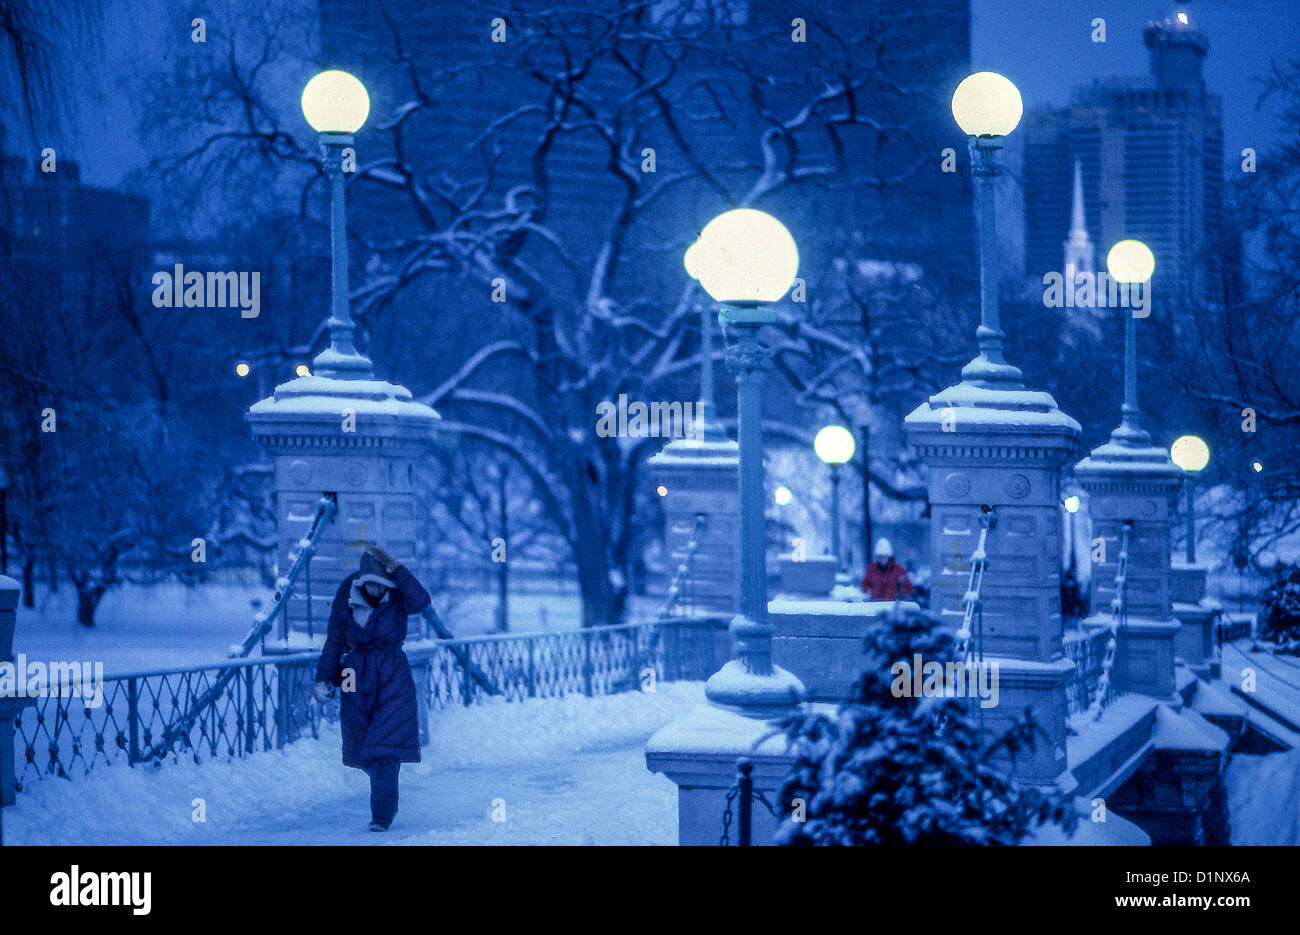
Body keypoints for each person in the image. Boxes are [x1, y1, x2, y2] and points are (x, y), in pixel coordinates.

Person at [313, 544, 430, 832]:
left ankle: (381, 814)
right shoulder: (347, 594)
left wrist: (396, 568)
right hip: (354, 674)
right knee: (363, 747)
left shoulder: (399, 594)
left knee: (384, 748)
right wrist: (324, 677)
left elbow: (422, 600)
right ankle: (384, 784)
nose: (377, 590)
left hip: (393, 675)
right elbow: (333, 640)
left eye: (382, 584)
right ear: (362, 580)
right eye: (371, 584)